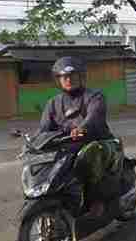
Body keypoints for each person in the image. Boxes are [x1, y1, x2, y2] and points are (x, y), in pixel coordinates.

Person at [38, 57, 123, 216]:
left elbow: (94, 117)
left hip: (100, 142)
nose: (68, 80)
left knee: (90, 153)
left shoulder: (94, 96)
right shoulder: (53, 103)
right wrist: (33, 142)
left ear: (81, 76)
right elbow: (43, 129)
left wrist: (82, 128)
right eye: (64, 77)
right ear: (58, 80)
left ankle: (96, 200)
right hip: (69, 146)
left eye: (72, 75)